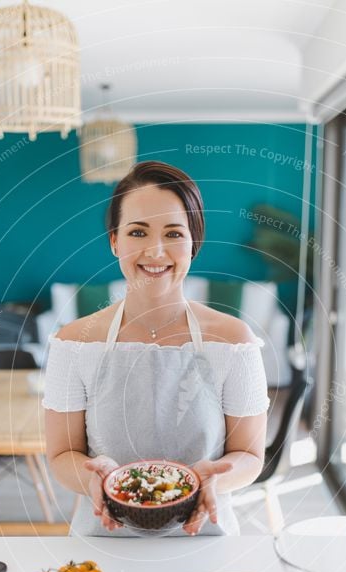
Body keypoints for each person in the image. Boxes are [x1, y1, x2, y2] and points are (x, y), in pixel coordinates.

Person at [42, 161, 269, 536]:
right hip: (104, 536)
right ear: (115, 241)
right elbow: (63, 454)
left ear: (193, 243)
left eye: (174, 233)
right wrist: (94, 481)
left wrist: (214, 480)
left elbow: (249, 455)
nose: (156, 250)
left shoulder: (234, 341)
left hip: (205, 532)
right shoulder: (74, 343)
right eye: (137, 232)